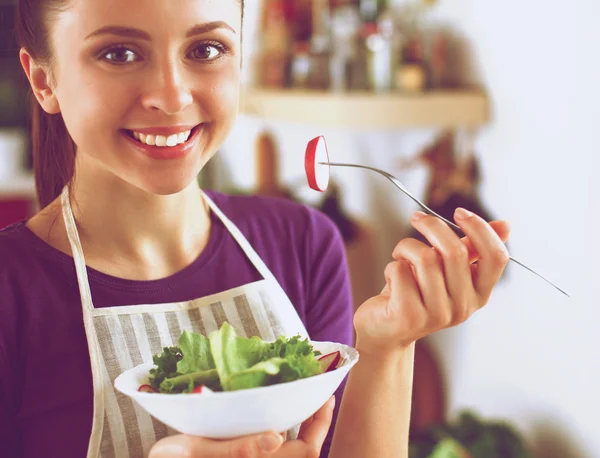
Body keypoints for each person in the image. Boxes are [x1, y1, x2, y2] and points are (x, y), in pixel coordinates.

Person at [0, 0, 511, 457]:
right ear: (44, 79)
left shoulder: (304, 243)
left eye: (206, 48)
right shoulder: (11, 288)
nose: (172, 96)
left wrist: (388, 346)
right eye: (118, 54)